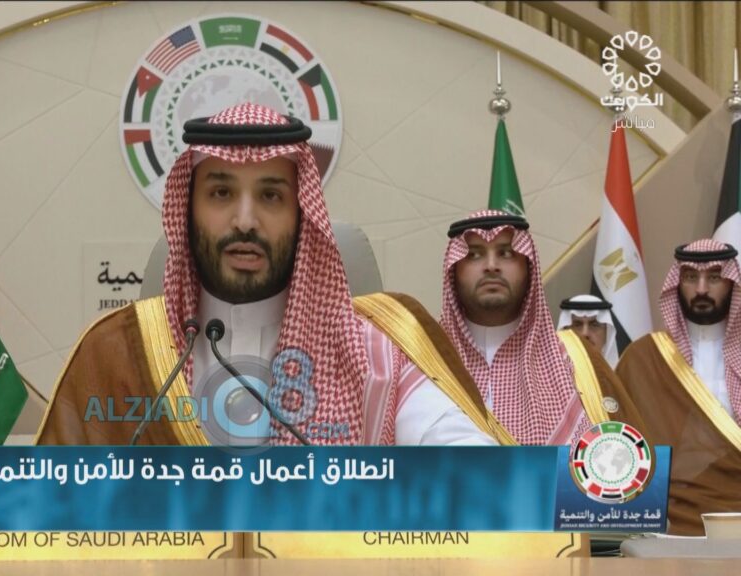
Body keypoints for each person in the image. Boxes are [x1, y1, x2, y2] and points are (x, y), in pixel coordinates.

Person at [37, 103, 497, 447]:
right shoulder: (115, 351)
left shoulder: (377, 351)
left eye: (271, 196)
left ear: (302, 215)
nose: (245, 221)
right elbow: (50, 506)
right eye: (221, 193)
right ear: (188, 210)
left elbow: (473, 465)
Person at [439, 210, 645, 445]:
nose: (491, 266)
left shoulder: (579, 362)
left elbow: (629, 456)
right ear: (453, 270)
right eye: (474, 255)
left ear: (529, 267)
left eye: (506, 253)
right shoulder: (423, 363)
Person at [616, 239, 741, 535]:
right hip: (665, 522)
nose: (701, 289)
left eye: (714, 277)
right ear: (676, 283)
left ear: (732, 283)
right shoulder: (643, 358)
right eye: (690, 277)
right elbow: (614, 445)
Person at [557, 295, 619, 366]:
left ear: (607, 333)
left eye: (594, 325)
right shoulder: (551, 372)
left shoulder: (619, 373)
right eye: (577, 325)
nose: (585, 333)